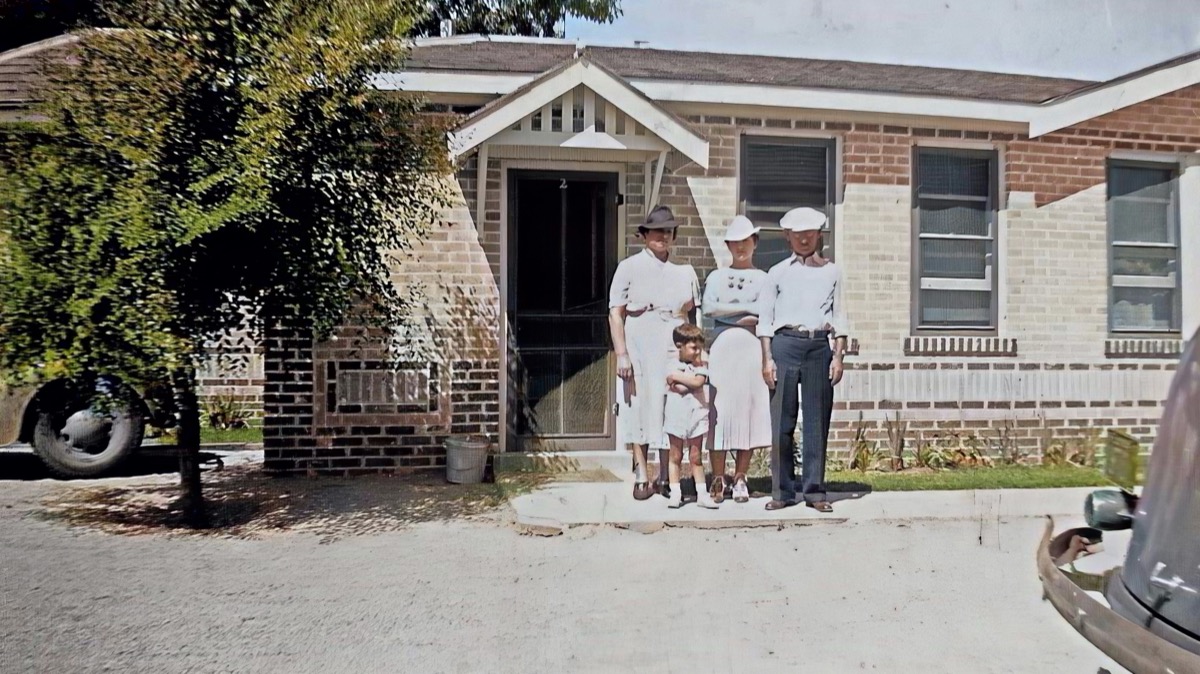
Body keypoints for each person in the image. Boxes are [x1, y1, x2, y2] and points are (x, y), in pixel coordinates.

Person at [757, 207, 850, 513]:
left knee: (815, 422)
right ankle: (782, 492)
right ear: (788, 237)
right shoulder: (777, 273)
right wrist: (767, 359)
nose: (804, 240)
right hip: (784, 346)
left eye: (810, 235)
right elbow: (765, 321)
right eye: (798, 236)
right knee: (782, 423)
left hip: (818, 348)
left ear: (819, 235)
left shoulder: (832, 272)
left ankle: (814, 492)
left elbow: (840, 317)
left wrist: (838, 356)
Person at [608, 206, 701, 500]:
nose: (663, 236)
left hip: (672, 344)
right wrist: (621, 353)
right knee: (639, 404)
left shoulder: (684, 272)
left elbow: (695, 319)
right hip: (640, 343)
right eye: (657, 231)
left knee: (668, 405)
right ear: (644, 235)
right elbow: (615, 313)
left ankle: (665, 475)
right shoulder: (629, 267)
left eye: (669, 231)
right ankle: (641, 474)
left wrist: (695, 357)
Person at [702, 215, 772, 504]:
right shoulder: (717, 277)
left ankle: (741, 477)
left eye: (746, 241)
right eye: (735, 242)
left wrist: (729, 310)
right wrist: (746, 310)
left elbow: (765, 315)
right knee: (719, 414)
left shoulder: (765, 279)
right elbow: (709, 309)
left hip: (751, 350)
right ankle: (718, 476)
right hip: (721, 348)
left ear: (754, 243)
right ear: (728, 246)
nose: (740, 247)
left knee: (747, 412)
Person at [662, 323, 720, 509]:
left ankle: (701, 494)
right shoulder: (671, 364)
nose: (697, 352)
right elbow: (678, 387)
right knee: (675, 455)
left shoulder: (702, 366)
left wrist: (679, 378)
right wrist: (685, 381)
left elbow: (697, 382)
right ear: (680, 345)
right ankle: (675, 492)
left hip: (696, 415)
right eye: (693, 348)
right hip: (676, 415)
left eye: (699, 348)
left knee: (696, 456)